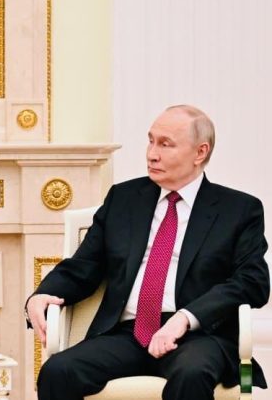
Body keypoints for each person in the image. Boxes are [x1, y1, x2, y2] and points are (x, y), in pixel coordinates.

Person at [26, 105, 269, 400]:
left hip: (199, 336)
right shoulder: (124, 199)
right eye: (151, 141)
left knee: (191, 374)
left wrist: (185, 318)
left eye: (166, 144)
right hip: (128, 334)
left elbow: (252, 282)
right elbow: (84, 265)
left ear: (200, 152)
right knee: (58, 371)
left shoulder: (238, 210)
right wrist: (43, 293)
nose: (152, 154)